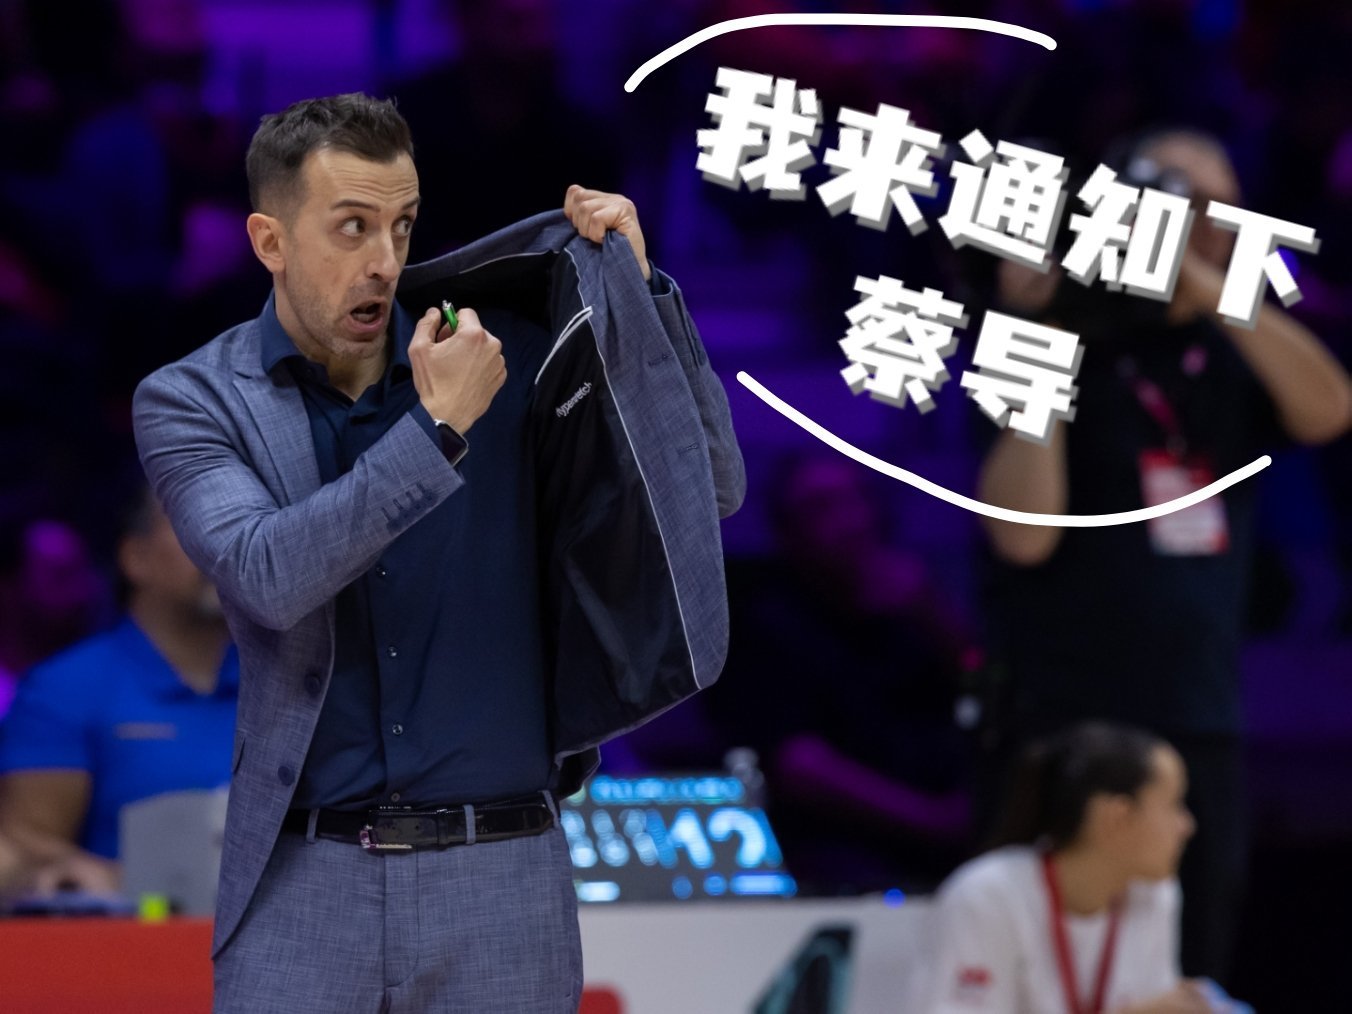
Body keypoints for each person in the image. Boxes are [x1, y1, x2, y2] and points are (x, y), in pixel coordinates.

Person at [131, 93, 744, 1012]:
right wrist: (439, 428)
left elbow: (708, 491)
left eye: (403, 226)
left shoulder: (505, 349)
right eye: (352, 228)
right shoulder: (191, 399)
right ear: (270, 241)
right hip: (304, 885)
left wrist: (643, 299)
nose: (385, 260)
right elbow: (267, 576)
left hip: (502, 879)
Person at [977, 129, 1352, 982]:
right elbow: (1023, 532)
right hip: (1063, 719)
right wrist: (1039, 324)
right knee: (1049, 975)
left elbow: (1330, 409)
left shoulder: (1231, 348)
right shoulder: (1052, 338)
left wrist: (1204, 284)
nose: (1209, 224)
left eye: (1226, 209)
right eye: (1184, 200)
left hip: (1197, 718)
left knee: (1190, 972)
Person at [0, 485, 236, 894]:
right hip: (132, 929)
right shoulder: (65, 688)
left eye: (235, 522)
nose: (221, 542)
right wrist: (124, 883)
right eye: (193, 521)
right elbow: (22, 846)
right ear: (135, 557)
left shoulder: (294, 684)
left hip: (277, 928)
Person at [911, 723, 1216, 1014]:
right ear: (1117, 817)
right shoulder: (987, 896)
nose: (1187, 826)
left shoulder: (1155, 893)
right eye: (1174, 804)